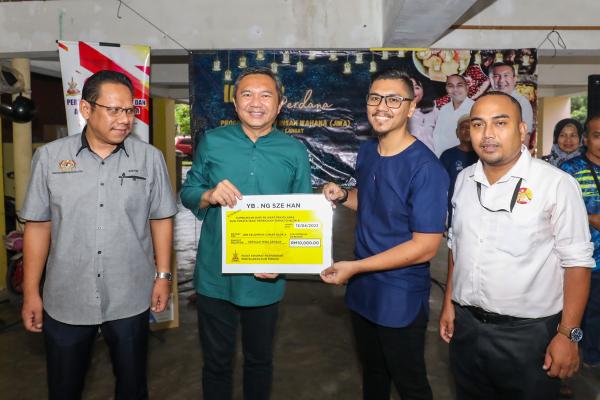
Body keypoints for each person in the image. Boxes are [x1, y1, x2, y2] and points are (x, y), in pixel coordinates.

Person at [20, 70, 177, 400]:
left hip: (129, 296)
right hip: (67, 298)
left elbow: (161, 218)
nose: (125, 119)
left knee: (132, 387)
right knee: (64, 389)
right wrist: (31, 292)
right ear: (86, 109)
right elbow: (38, 226)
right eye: (114, 110)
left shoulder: (150, 159)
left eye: (130, 110)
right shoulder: (49, 158)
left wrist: (163, 276)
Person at [439, 91, 594, 400]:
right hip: (467, 328)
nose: (488, 134)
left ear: (522, 131)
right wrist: (448, 303)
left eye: (500, 123)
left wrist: (569, 335)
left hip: (529, 337)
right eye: (478, 124)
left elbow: (577, 262)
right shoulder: (464, 179)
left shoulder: (556, 184)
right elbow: (458, 246)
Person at [180, 67, 311, 400]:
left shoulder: (294, 151)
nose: (256, 102)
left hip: (265, 278)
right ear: (235, 103)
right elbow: (189, 191)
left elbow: (303, 215)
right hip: (215, 274)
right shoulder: (213, 142)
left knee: (259, 361)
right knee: (216, 363)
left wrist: (285, 261)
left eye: (266, 95)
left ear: (280, 105)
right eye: (247, 94)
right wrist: (209, 194)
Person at [322, 69, 449, 400]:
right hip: (363, 288)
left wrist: (355, 267)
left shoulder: (426, 169)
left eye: (394, 99)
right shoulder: (368, 152)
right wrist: (343, 196)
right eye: (375, 98)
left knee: (410, 383)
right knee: (373, 373)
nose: (381, 106)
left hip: (398, 294)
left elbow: (425, 247)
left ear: (411, 107)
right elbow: (372, 202)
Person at [561, 113, 600, 370]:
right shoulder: (570, 171)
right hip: (585, 263)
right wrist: (589, 218)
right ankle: (580, 360)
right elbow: (558, 213)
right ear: (586, 139)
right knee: (583, 316)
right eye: (597, 135)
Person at [440, 114, 478, 228]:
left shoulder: (484, 155)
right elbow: (439, 188)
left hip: (478, 212)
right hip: (454, 212)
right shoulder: (447, 155)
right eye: (463, 128)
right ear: (457, 133)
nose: (467, 131)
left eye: (470, 127)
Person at [489, 62, 534, 143]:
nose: (501, 80)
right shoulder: (487, 101)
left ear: (514, 79)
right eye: (496, 76)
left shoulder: (522, 103)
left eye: (506, 75)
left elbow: (525, 136)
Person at [432, 74, 474, 157]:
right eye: (450, 86)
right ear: (446, 89)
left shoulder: (475, 108)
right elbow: (437, 135)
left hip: (467, 158)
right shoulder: (444, 109)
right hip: (442, 157)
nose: (455, 89)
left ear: (467, 87)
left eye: (459, 85)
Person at [408, 76, 437, 152]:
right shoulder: (397, 113)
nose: (413, 91)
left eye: (417, 88)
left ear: (423, 91)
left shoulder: (434, 108)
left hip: (430, 155)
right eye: (409, 87)